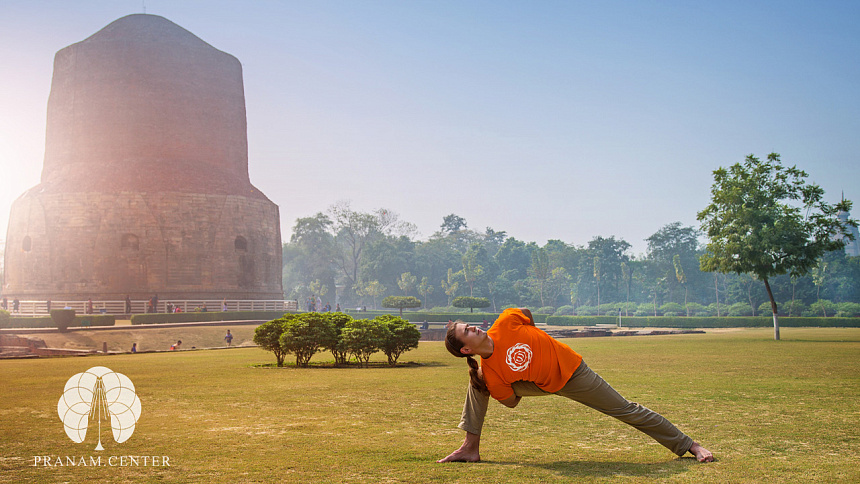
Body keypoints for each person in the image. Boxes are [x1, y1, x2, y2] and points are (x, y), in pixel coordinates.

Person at [437, 308, 714, 464]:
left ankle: (689, 445)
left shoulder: (506, 321)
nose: (473, 327)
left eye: (469, 325)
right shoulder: (492, 374)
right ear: (466, 350)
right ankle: (470, 448)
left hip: (574, 373)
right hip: (542, 385)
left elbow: (527, 315)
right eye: (466, 331)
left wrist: (541, 346)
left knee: (626, 409)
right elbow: (511, 401)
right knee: (479, 381)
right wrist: (527, 375)